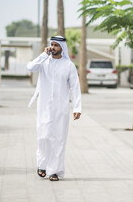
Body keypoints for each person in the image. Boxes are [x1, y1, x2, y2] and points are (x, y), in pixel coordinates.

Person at [27, 36, 82, 181]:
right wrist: (43, 55)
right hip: (44, 106)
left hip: (61, 108)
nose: (53, 47)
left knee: (58, 138)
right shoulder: (44, 62)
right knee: (43, 136)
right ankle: (42, 165)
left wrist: (77, 107)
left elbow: (75, 87)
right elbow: (30, 67)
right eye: (51, 44)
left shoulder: (69, 65)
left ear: (62, 48)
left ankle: (55, 171)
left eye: (56, 45)